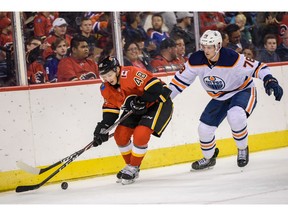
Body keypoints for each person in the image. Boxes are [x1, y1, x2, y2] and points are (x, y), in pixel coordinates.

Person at [169, 30, 283, 170]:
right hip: (220, 96)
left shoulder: (232, 58)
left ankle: (242, 148)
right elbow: (178, 82)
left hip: (242, 90)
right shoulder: (196, 60)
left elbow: (259, 67)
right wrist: (165, 98)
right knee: (204, 129)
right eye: (203, 46)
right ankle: (209, 158)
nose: (206, 50)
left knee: (235, 115)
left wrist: (270, 80)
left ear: (218, 46)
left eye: (209, 46)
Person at [93, 56, 173, 185]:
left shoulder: (131, 73)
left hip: (157, 104)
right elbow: (111, 110)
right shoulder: (105, 88)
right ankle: (130, 166)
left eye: (109, 74)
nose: (107, 79)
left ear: (117, 69)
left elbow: (156, 87)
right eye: (104, 76)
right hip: (135, 108)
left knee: (140, 134)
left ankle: (134, 167)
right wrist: (103, 127)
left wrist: (142, 101)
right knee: (120, 135)